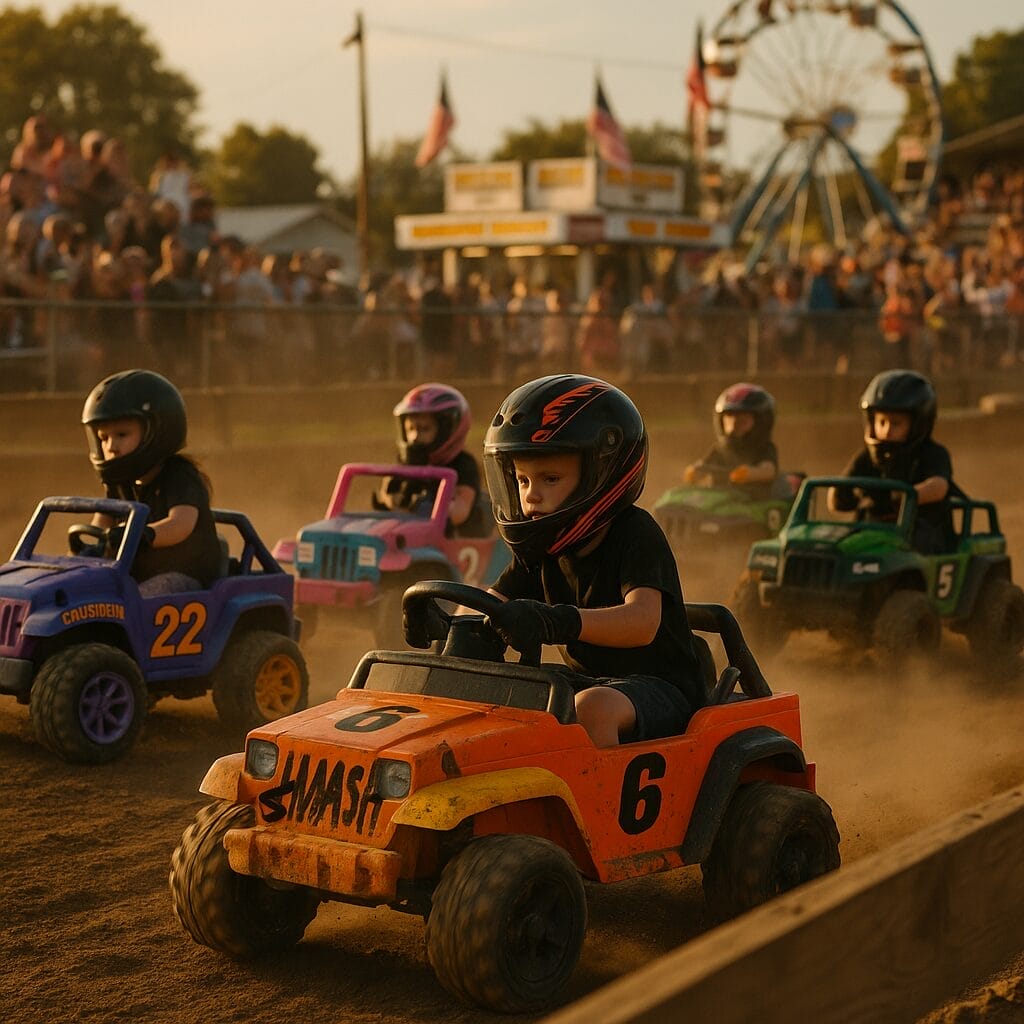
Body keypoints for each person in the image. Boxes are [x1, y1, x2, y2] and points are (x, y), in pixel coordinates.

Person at [464, 374, 705, 748]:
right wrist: (450, 622)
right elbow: (493, 602)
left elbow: (642, 622)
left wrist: (558, 621)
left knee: (592, 708)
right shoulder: (540, 549)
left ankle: (599, 807)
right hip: (587, 680)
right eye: (523, 481)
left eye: (550, 479)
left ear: (601, 475)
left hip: (662, 688)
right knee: (506, 694)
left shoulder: (636, 532)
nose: (532, 497)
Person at [82, 369, 222, 596]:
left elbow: (181, 525)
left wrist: (140, 534)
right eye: (104, 438)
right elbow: (101, 523)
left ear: (156, 432)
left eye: (121, 434)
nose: (110, 446)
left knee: (133, 602)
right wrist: (85, 548)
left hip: (183, 574)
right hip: (137, 572)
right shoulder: (119, 481)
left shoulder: (179, 475)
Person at [828, 370, 953, 554]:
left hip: (920, 533)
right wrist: (842, 496)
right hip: (873, 531)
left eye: (896, 423)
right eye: (882, 422)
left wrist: (903, 497)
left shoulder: (933, 453)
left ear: (918, 424)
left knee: (904, 551)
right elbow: (839, 496)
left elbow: (939, 486)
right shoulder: (867, 457)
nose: (886, 431)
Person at [375, 383, 487, 537]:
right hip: (412, 540)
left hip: (457, 543)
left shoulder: (463, 464)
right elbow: (387, 497)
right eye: (410, 429)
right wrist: (398, 497)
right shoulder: (404, 462)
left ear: (448, 429)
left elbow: (459, 513)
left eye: (424, 429)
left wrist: (421, 506)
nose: (414, 438)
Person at [683, 383, 779, 496]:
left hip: (753, 503)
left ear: (761, 423)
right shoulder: (720, 449)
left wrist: (750, 473)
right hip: (721, 502)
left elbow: (769, 470)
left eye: (742, 420)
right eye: (729, 419)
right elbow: (704, 465)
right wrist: (695, 472)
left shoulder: (764, 448)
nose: (734, 426)